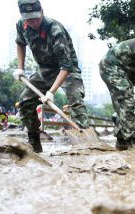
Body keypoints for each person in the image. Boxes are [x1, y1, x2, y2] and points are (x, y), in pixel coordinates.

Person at [12, 0, 90, 153]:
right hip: (45, 70)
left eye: (36, 18)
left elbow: (66, 66)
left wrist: (51, 92)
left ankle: (86, 143)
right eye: (29, 19)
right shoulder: (21, 25)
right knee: (25, 102)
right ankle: (34, 143)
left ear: (42, 12)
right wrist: (20, 68)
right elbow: (20, 43)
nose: (33, 22)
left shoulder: (55, 29)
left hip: (68, 69)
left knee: (75, 100)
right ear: (23, 16)